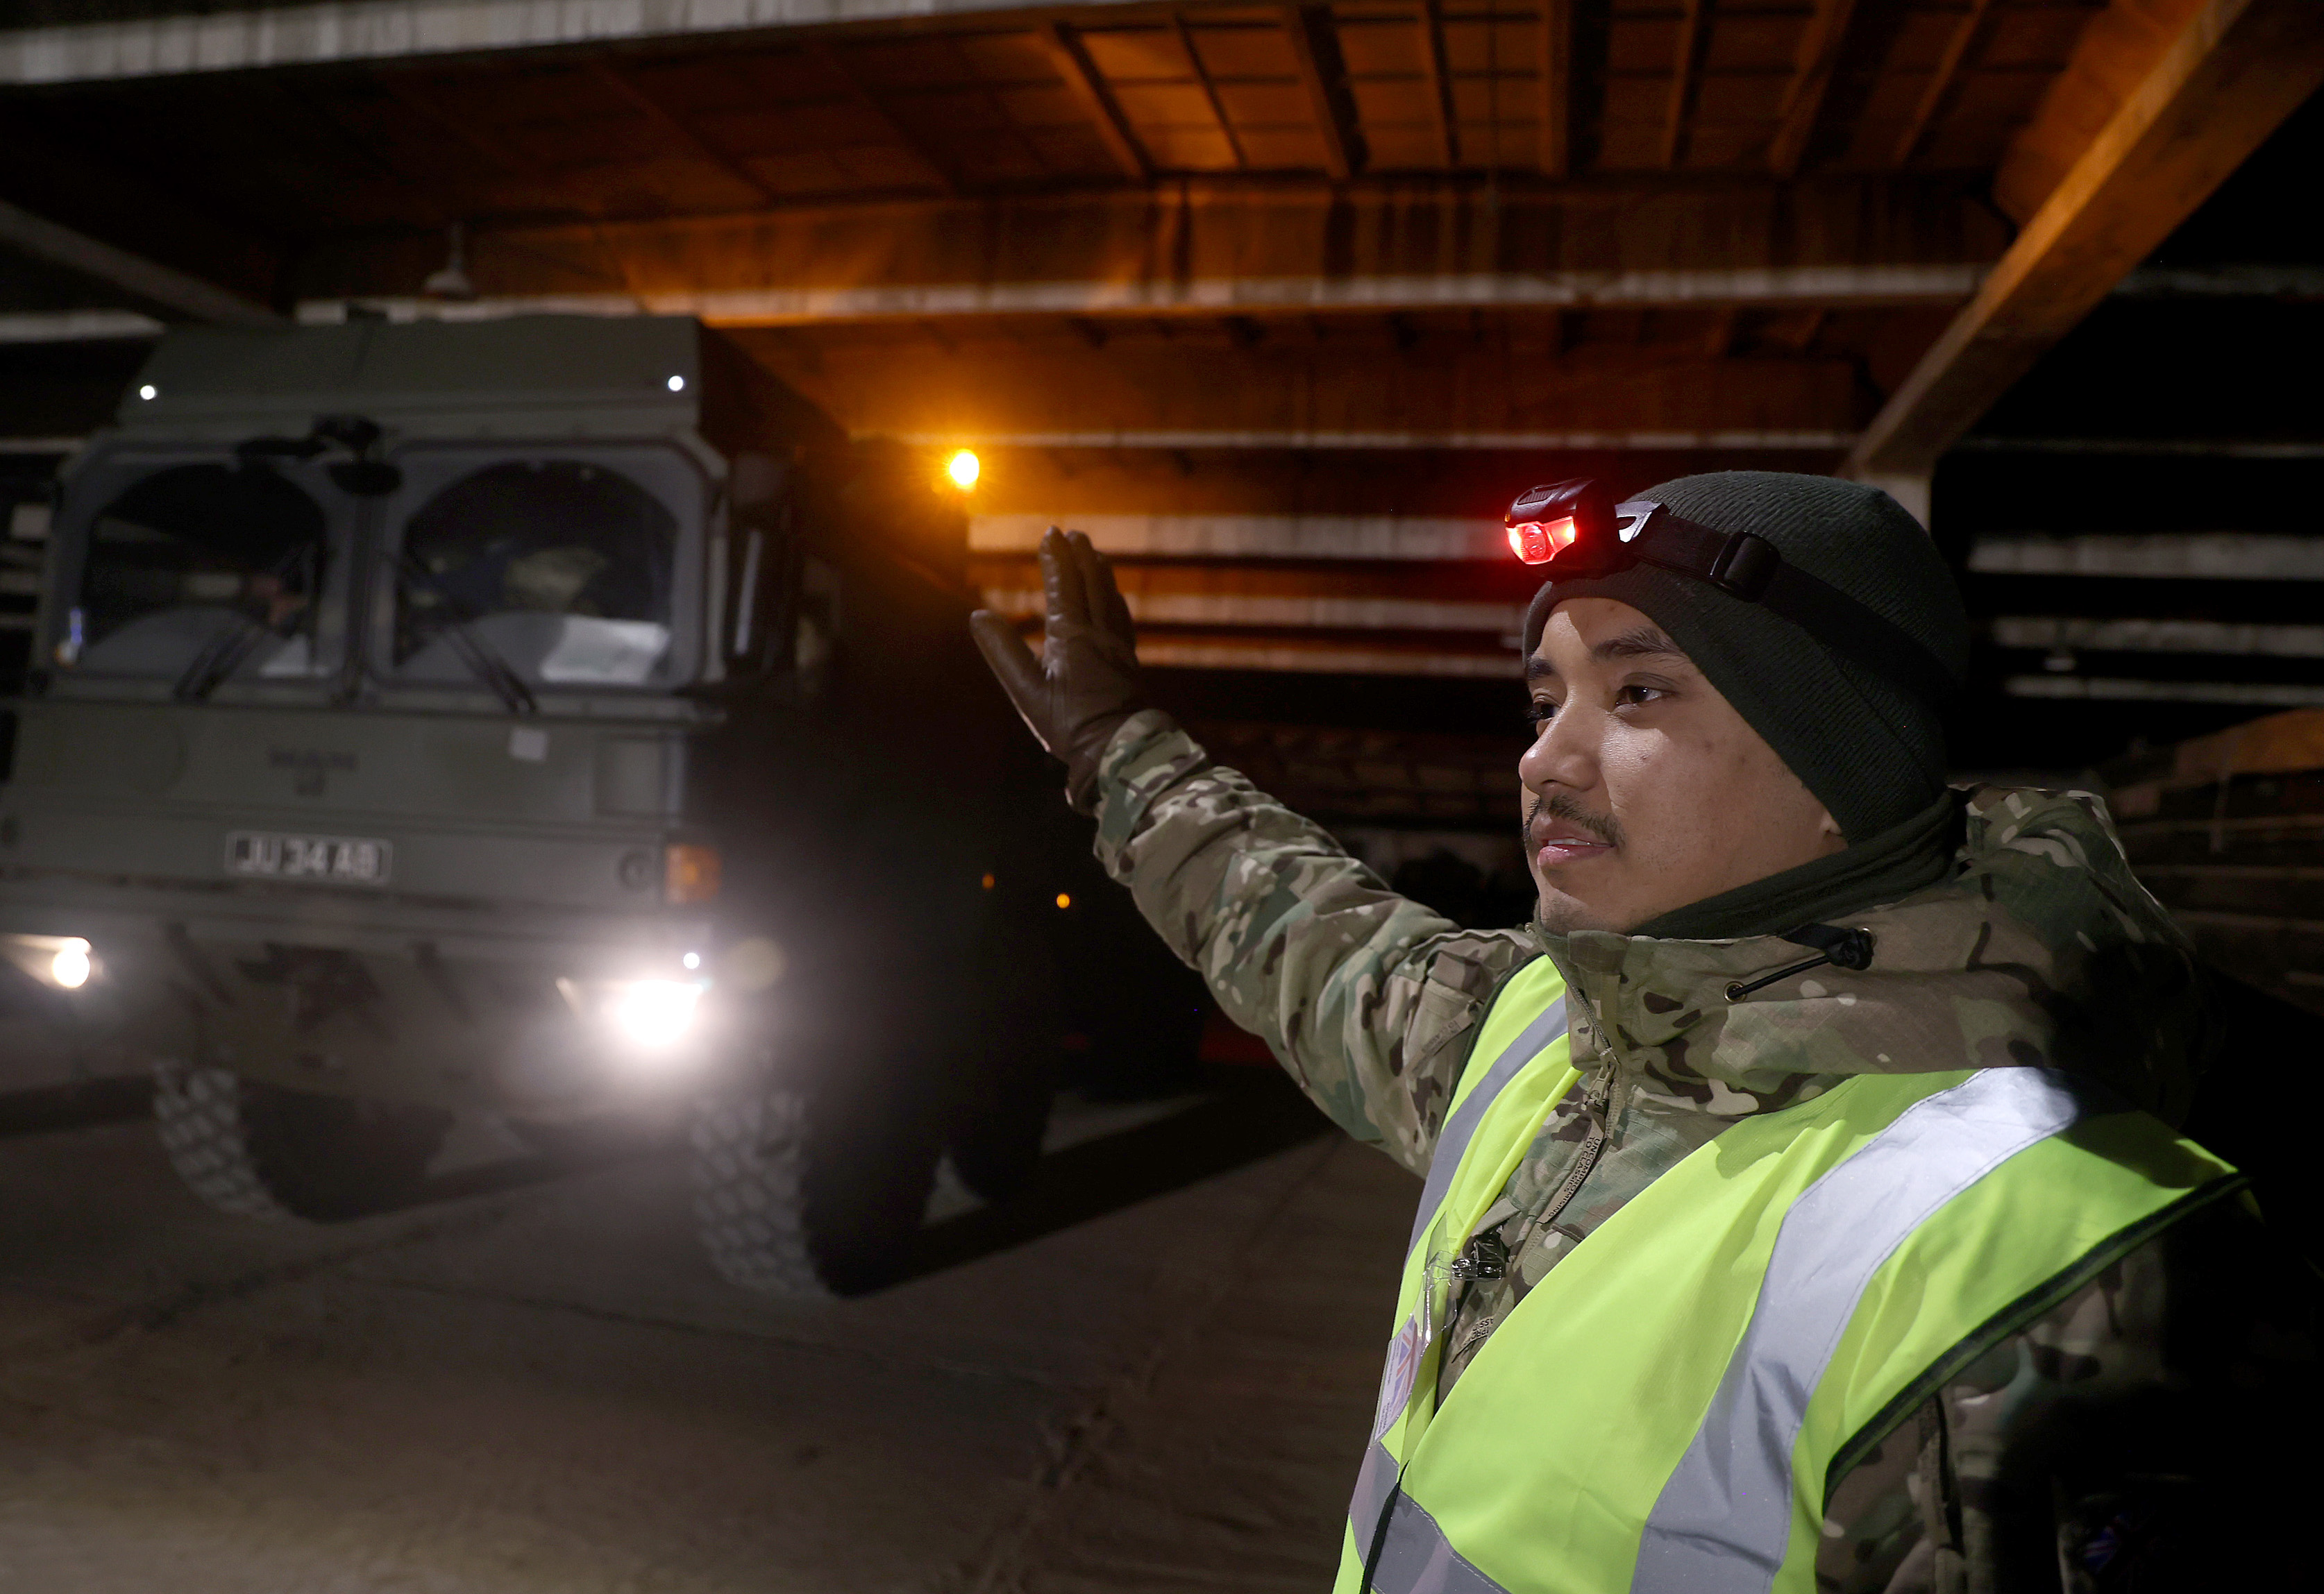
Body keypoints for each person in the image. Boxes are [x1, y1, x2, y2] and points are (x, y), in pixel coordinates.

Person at [969, 473, 2308, 1593]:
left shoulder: (2064, 1266)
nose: (1544, 758)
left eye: (1642, 694)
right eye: (1543, 698)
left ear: (1842, 770)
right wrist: (1119, 745)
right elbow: (1307, 941)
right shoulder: (1558, 1031)